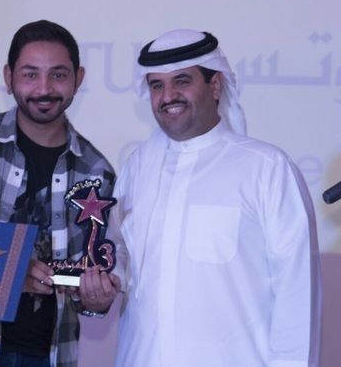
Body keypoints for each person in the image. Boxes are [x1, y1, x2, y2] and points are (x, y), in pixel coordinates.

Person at [112, 29, 322, 366]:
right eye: (156, 85)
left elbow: (297, 293)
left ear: (215, 85)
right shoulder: (137, 167)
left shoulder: (267, 168)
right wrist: (107, 280)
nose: (168, 96)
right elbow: (117, 252)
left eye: (182, 81)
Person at [0, 20, 125, 366]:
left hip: (51, 354)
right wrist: (12, 273)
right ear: (8, 77)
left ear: (78, 79)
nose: (44, 88)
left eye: (58, 75)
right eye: (30, 74)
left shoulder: (96, 172)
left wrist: (97, 301)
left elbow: (92, 279)